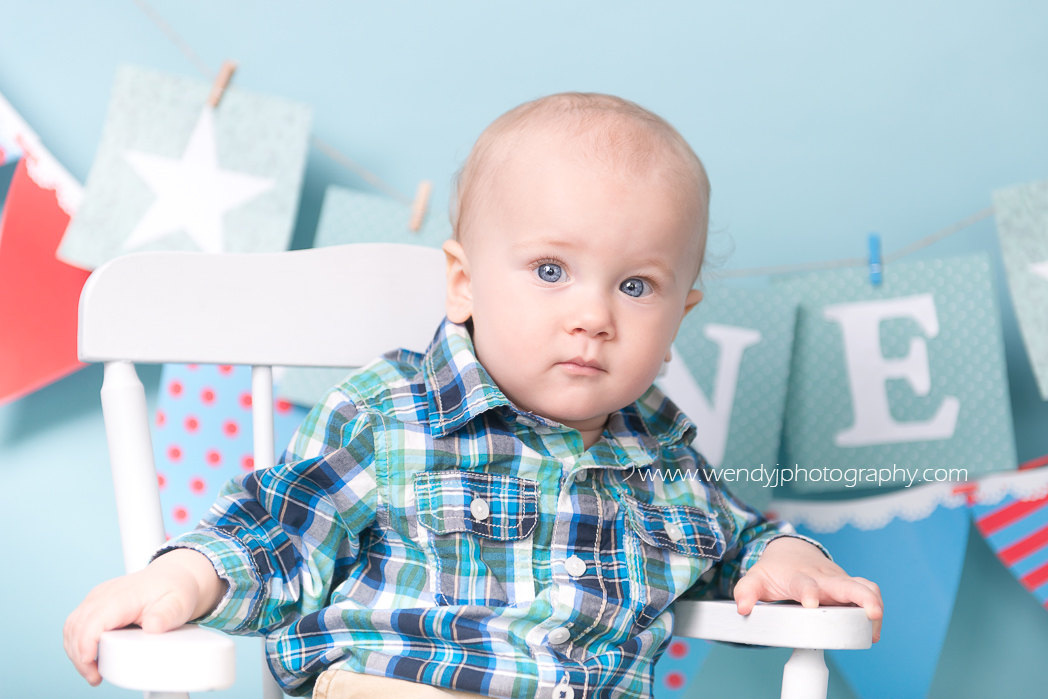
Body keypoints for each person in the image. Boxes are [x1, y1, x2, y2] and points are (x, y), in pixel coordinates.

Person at [65, 92, 883, 698]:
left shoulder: (662, 460)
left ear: (677, 320)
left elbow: (733, 544)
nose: (592, 316)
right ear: (461, 282)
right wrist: (187, 576)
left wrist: (787, 558)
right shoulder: (391, 413)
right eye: (551, 271)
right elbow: (282, 529)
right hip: (401, 684)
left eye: (636, 285)